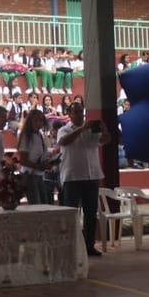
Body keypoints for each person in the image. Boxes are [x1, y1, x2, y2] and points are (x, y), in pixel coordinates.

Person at [57, 102, 111, 257]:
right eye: (77, 112)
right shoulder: (64, 129)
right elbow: (64, 142)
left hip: (91, 175)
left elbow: (105, 141)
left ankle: (89, 245)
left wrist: (105, 130)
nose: (81, 115)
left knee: (90, 213)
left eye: (82, 112)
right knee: (71, 213)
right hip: (72, 176)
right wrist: (82, 129)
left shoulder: (92, 130)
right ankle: (70, 246)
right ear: (69, 114)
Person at [17, 109, 52, 204]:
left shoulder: (39, 135)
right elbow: (23, 160)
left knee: (44, 203)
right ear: (30, 121)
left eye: (41, 120)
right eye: (36, 120)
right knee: (36, 204)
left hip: (40, 175)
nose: (39, 123)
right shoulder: (26, 136)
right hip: (30, 175)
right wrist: (39, 166)